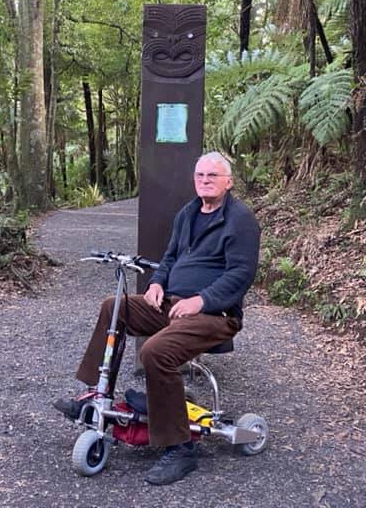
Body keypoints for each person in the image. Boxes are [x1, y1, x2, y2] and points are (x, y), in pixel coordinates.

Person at [54, 151, 261, 485]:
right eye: (200, 175)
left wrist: (201, 300)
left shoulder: (241, 220)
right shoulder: (188, 214)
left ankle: (180, 448)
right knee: (114, 306)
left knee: (155, 352)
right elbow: (168, 258)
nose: (205, 180)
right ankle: (96, 396)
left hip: (214, 315)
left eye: (213, 176)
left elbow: (241, 275)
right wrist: (157, 284)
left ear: (229, 182)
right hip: (170, 304)